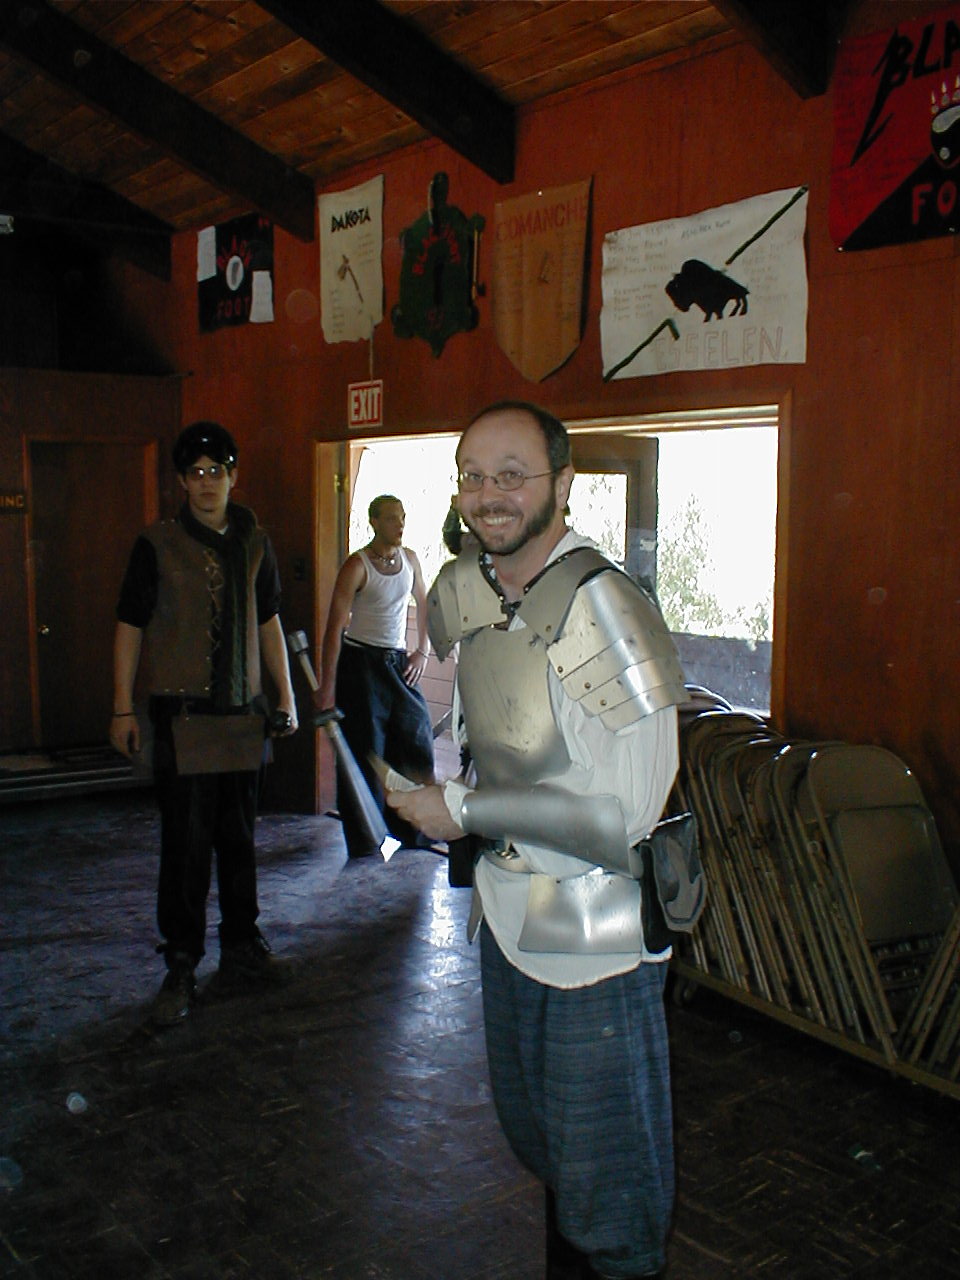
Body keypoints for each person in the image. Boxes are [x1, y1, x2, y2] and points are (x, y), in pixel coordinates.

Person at [386, 402, 693, 1280]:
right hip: (509, 915)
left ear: (562, 482)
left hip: (595, 929)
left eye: (512, 475)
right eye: (474, 475)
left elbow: (620, 817)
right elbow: (466, 728)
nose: (490, 494)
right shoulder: (470, 589)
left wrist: (465, 809)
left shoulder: (606, 605)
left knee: (610, 1189)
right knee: (551, 1154)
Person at [109, 421, 299, 1027]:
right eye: (195, 473)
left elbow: (268, 620)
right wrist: (121, 706)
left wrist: (286, 695)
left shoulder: (254, 543)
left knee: (240, 839)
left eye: (216, 471)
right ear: (182, 481)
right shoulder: (157, 544)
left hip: (242, 714)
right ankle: (182, 962)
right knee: (186, 846)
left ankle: (242, 945)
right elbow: (130, 624)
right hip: (183, 716)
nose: (207, 482)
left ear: (233, 476)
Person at [318, 494, 435, 857]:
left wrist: (422, 650)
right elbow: (335, 628)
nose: (399, 525)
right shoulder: (358, 566)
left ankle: (414, 831)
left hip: (395, 662)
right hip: (360, 663)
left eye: (402, 517)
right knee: (367, 749)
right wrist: (327, 687)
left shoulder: (410, 560)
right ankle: (367, 840)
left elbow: (425, 603)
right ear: (374, 522)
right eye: (391, 518)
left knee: (416, 737)